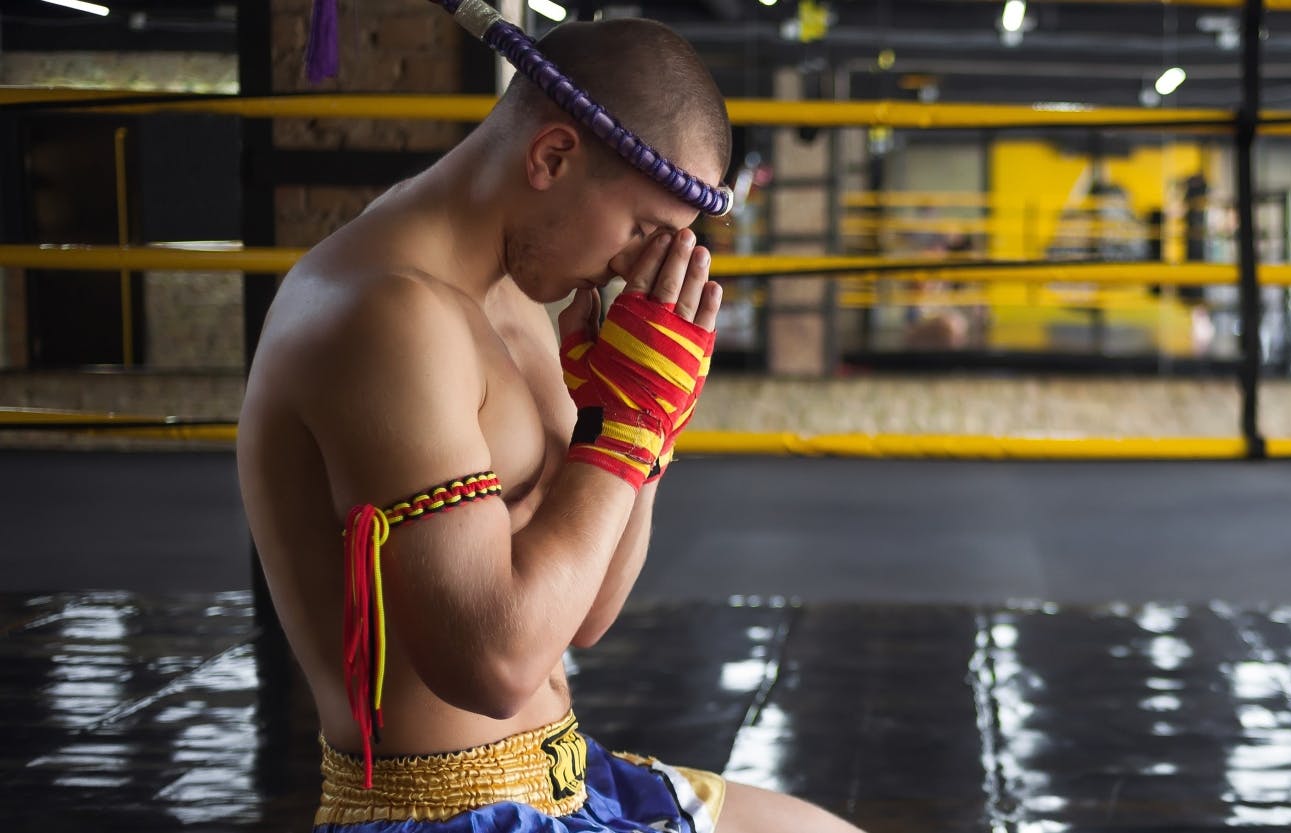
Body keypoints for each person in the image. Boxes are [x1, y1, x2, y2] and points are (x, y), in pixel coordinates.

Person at [236, 19, 863, 833]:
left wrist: (641, 428)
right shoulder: (386, 316)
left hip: (567, 774)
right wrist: (625, 432)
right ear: (553, 157)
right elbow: (493, 667)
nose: (635, 263)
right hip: (441, 814)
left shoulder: (520, 299)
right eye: (641, 228)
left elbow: (588, 612)